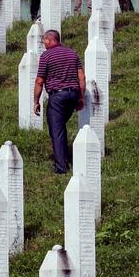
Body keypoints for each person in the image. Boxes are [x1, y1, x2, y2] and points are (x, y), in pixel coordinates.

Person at [33, 29, 86, 174]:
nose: (44, 43)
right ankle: (65, 157)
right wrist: (81, 97)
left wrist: (36, 101)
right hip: (73, 95)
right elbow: (81, 77)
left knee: (56, 130)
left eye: (44, 40)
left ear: (49, 40)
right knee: (60, 126)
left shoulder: (46, 56)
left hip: (58, 97)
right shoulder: (72, 53)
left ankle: (61, 168)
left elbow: (39, 80)